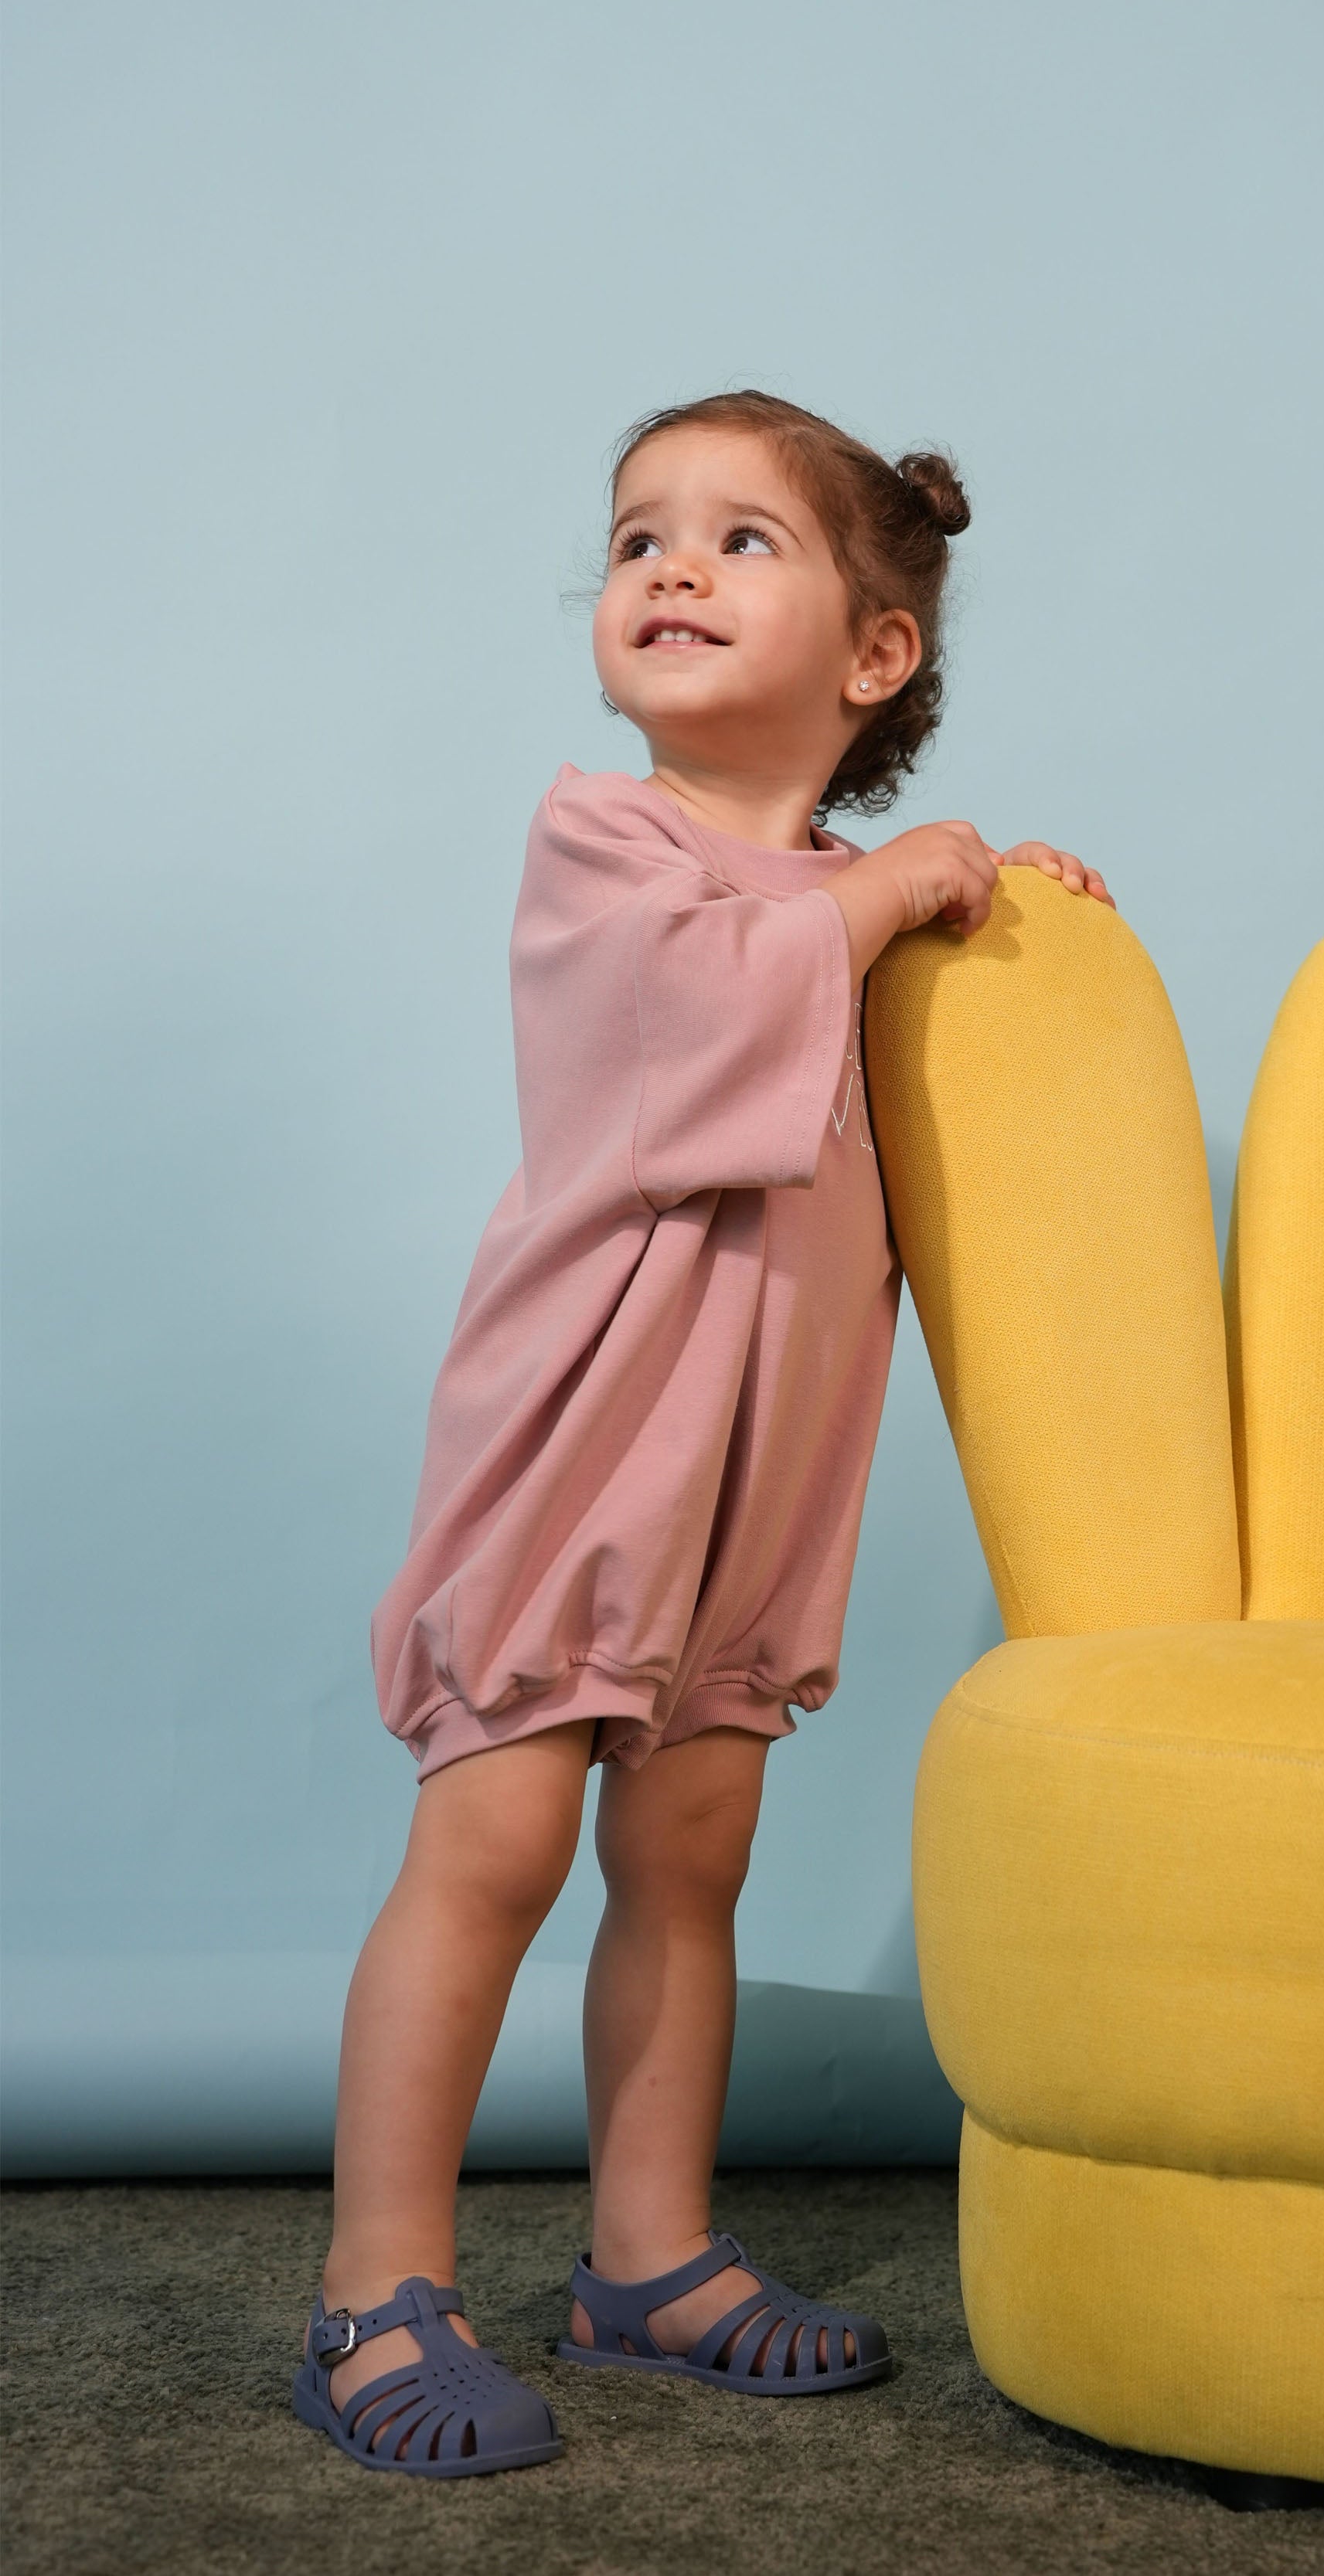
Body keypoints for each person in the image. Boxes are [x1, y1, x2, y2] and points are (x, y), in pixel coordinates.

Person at [292, 390, 1112, 2476]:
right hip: (582, 1446)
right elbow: (695, 1023)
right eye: (638, 533)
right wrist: (904, 888)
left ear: (872, 656)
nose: (666, 564)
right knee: (492, 1847)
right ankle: (374, 2296)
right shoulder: (608, 843)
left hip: (761, 1474)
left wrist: (1012, 930)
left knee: (692, 1852)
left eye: (740, 540)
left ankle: (644, 2255)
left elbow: (991, 1128)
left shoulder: (880, 909)